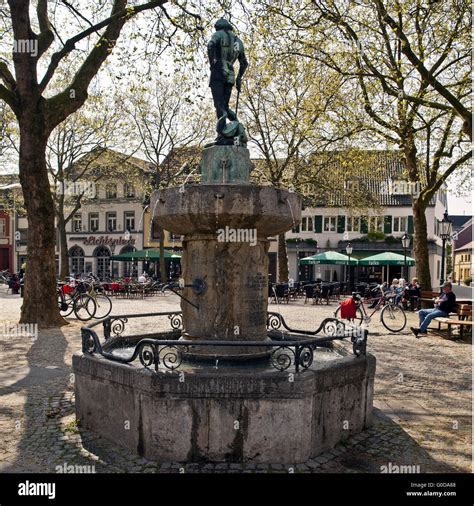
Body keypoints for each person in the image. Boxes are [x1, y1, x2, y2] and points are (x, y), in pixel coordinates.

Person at [207, 18, 248, 142]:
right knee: (224, 105)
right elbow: (244, 63)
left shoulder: (219, 34)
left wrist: (213, 63)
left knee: (219, 104)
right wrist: (239, 78)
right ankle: (236, 126)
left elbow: (210, 45)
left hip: (218, 72)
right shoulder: (238, 41)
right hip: (230, 74)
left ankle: (222, 133)